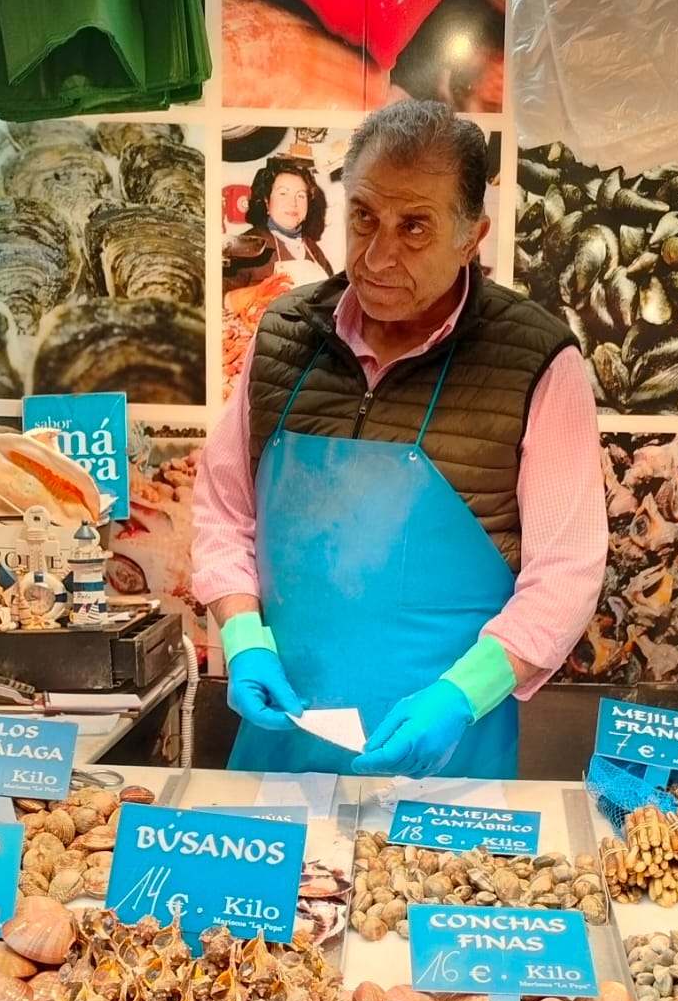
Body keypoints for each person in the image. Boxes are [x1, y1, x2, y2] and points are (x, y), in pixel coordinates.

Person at [191, 100, 607, 779]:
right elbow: (223, 508)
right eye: (363, 218)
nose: (378, 256)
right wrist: (242, 639)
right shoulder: (285, 333)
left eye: (414, 227)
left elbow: (566, 573)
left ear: (473, 235)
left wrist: (459, 697)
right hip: (281, 743)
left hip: (448, 755)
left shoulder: (536, 360)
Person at [224, 158, 333, 292]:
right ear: (266, 201)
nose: (293, 203)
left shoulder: (313, 249)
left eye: (301, 196)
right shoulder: (247, 244)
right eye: (283, 193)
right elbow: (220, 299)